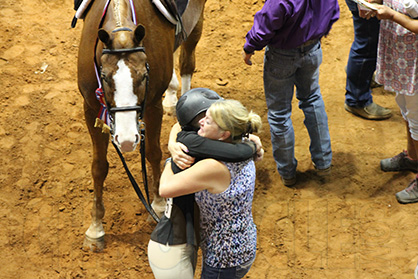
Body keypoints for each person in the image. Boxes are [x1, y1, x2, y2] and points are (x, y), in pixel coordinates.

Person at [148, 88, 263, 279]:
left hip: (224, 258)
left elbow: (165, 188)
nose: (201, 122)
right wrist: (172, 143)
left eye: (208, 121)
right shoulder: (241, 143)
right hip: (243, 244)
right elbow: (181, 127)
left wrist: (173, 159)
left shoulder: (213, 167)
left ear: (223, 134)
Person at [242, 1, 338, 186]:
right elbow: (331, 11)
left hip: (282, 56)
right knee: (312, 100)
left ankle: (287, 172)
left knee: (279, 114)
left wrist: (250, 46)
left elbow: (267, 21)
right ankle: (324, 163)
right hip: (312, 50)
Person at [364, 1, 418, 204]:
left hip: (415, 59)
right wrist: (372, 4)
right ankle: (413, 158)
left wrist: (392, 16)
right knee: (406, 109)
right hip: (401, 53)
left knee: (416, 116)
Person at [344, 0, 392, 120]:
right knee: (367, 45)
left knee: (370, 40)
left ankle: (364, 77)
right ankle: (357, 100)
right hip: (368, 2)